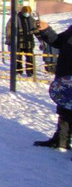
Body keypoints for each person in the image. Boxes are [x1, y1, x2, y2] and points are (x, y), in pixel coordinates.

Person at [33, 20, 72, 150]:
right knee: (65, 109)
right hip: (66, 76)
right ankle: (61, 140)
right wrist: (46, 30)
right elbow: (58, 42)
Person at [5, 6, 38, 76]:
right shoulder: (15, 19)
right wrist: (9, 39)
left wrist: (41, 40)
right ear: (22, 12)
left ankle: (30, 72)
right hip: (18, 42)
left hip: (28, 43)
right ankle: (18, 71)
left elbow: (36, 30)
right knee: (17, 58)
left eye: (28, 12)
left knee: (30, 58)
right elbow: (8, 29)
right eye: (26, 12)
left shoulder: (31, 20)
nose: (27, 14)